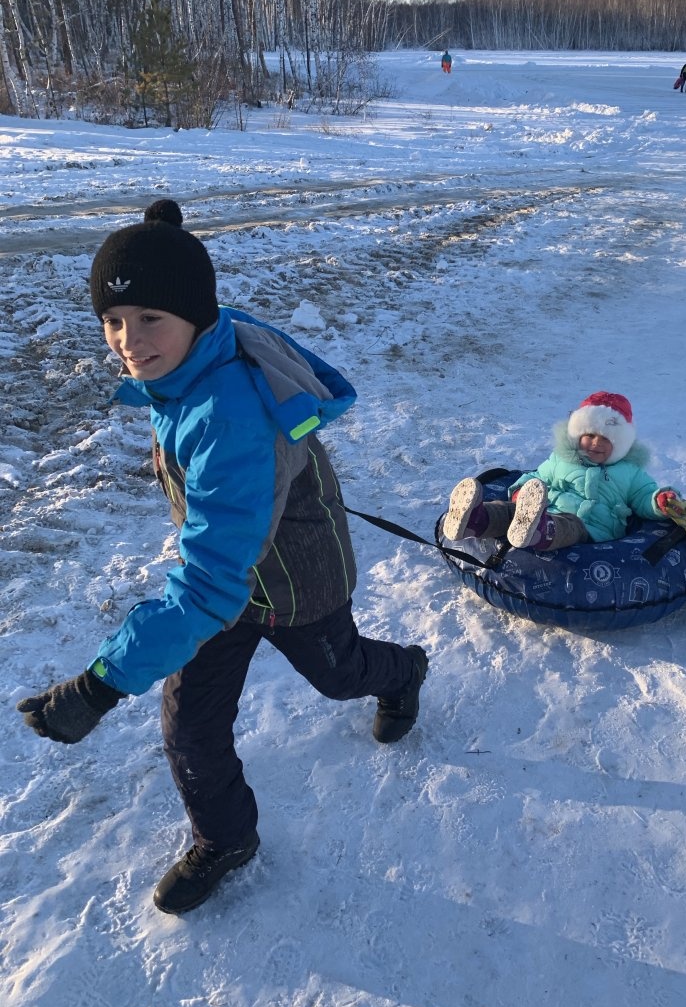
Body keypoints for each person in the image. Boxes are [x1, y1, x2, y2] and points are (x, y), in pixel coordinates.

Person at [16, 200, 428, 915]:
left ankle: (406, 670)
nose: (128, 342)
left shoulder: (227, 418)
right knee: (191, 726)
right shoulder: (190, 358)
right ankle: (226, 837)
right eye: (114, 321)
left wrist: (102, 685)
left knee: (339, 675)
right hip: (229, 583)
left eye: (149, 319)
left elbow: (206, 586)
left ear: (194, 315)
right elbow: (215, 573)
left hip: (297, 579)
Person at [443, 392, 678, 552]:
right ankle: (476, 520)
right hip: (542, 510)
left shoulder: (630, 472)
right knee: (509, 511)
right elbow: (536, 478)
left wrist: (658, 501)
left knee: (569, 526)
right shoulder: (562, 459)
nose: (596, 443)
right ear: (577, 435)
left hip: (589, 527)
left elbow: (643, 497)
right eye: (589, 435)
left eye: (605, 439)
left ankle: (539, 532)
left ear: (621, 443)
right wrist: (519, 492)